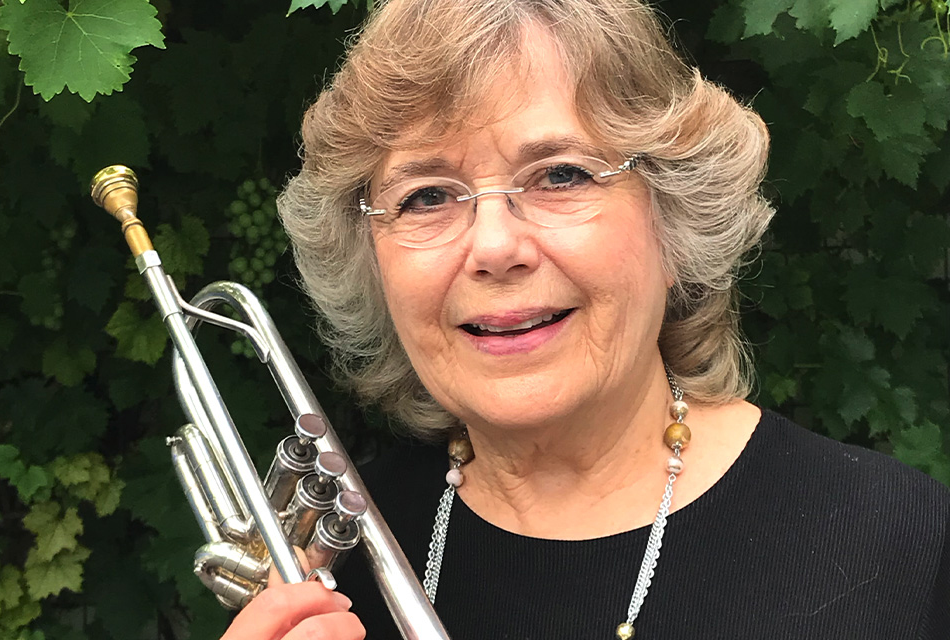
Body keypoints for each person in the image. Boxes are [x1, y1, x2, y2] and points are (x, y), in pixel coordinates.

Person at [223, 0, 950, 638]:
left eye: (561, 175)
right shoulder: (324, 574)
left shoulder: (901, 547)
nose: (495, 246)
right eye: (426, 196)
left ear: (674, 219)